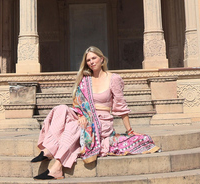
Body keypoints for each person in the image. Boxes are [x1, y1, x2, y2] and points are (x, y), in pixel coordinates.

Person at [31, 46, 159, 180]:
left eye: (94, 58)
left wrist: (130, 130)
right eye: (88, 60)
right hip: (84, 116)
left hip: (102, 121)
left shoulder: (113, 79)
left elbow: (121, 106)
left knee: (74, 127)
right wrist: (81, 116)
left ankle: (56, 168)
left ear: (102, 59)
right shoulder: (85, 80)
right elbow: (78, 103)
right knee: (60, 108)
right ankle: (49, 150)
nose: (91, 62)